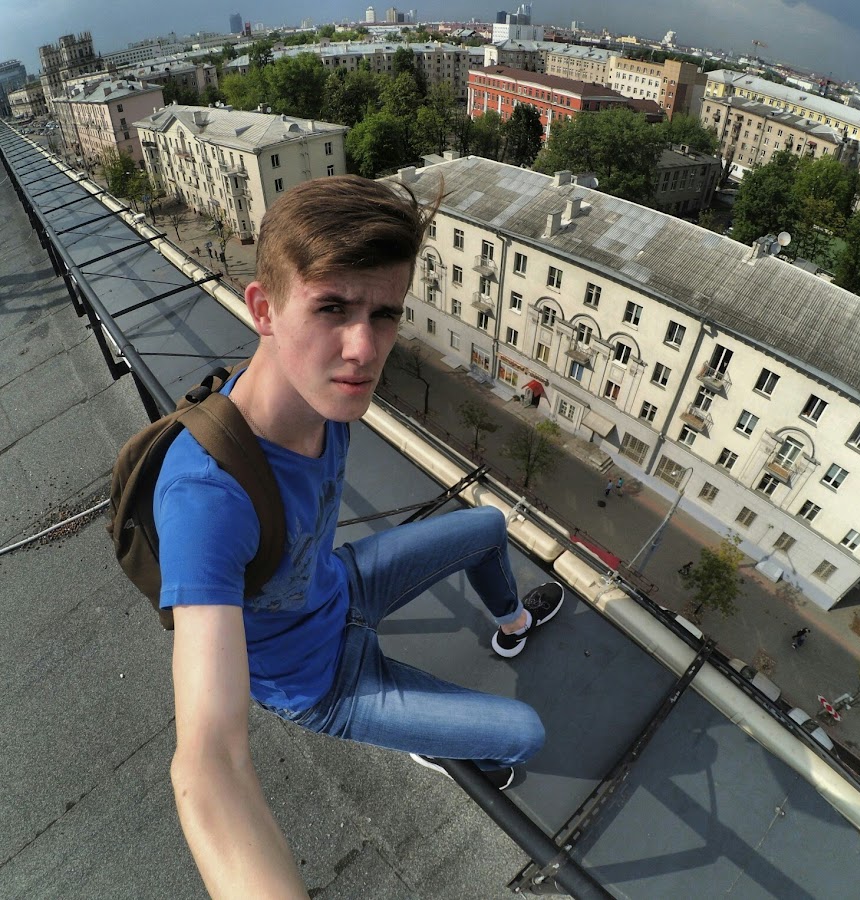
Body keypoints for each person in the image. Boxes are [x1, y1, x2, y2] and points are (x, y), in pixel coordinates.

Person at [153, 175, 563, 898]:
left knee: (486, 526)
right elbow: (209, 761)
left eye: (384, 314)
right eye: (332, 308)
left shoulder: (327, 399)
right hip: (321, 683)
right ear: (263, 309)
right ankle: (438, 742)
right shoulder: (205, 497)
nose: (364, 347)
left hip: (339, 586)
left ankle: (512, 625)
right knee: (524, 732)